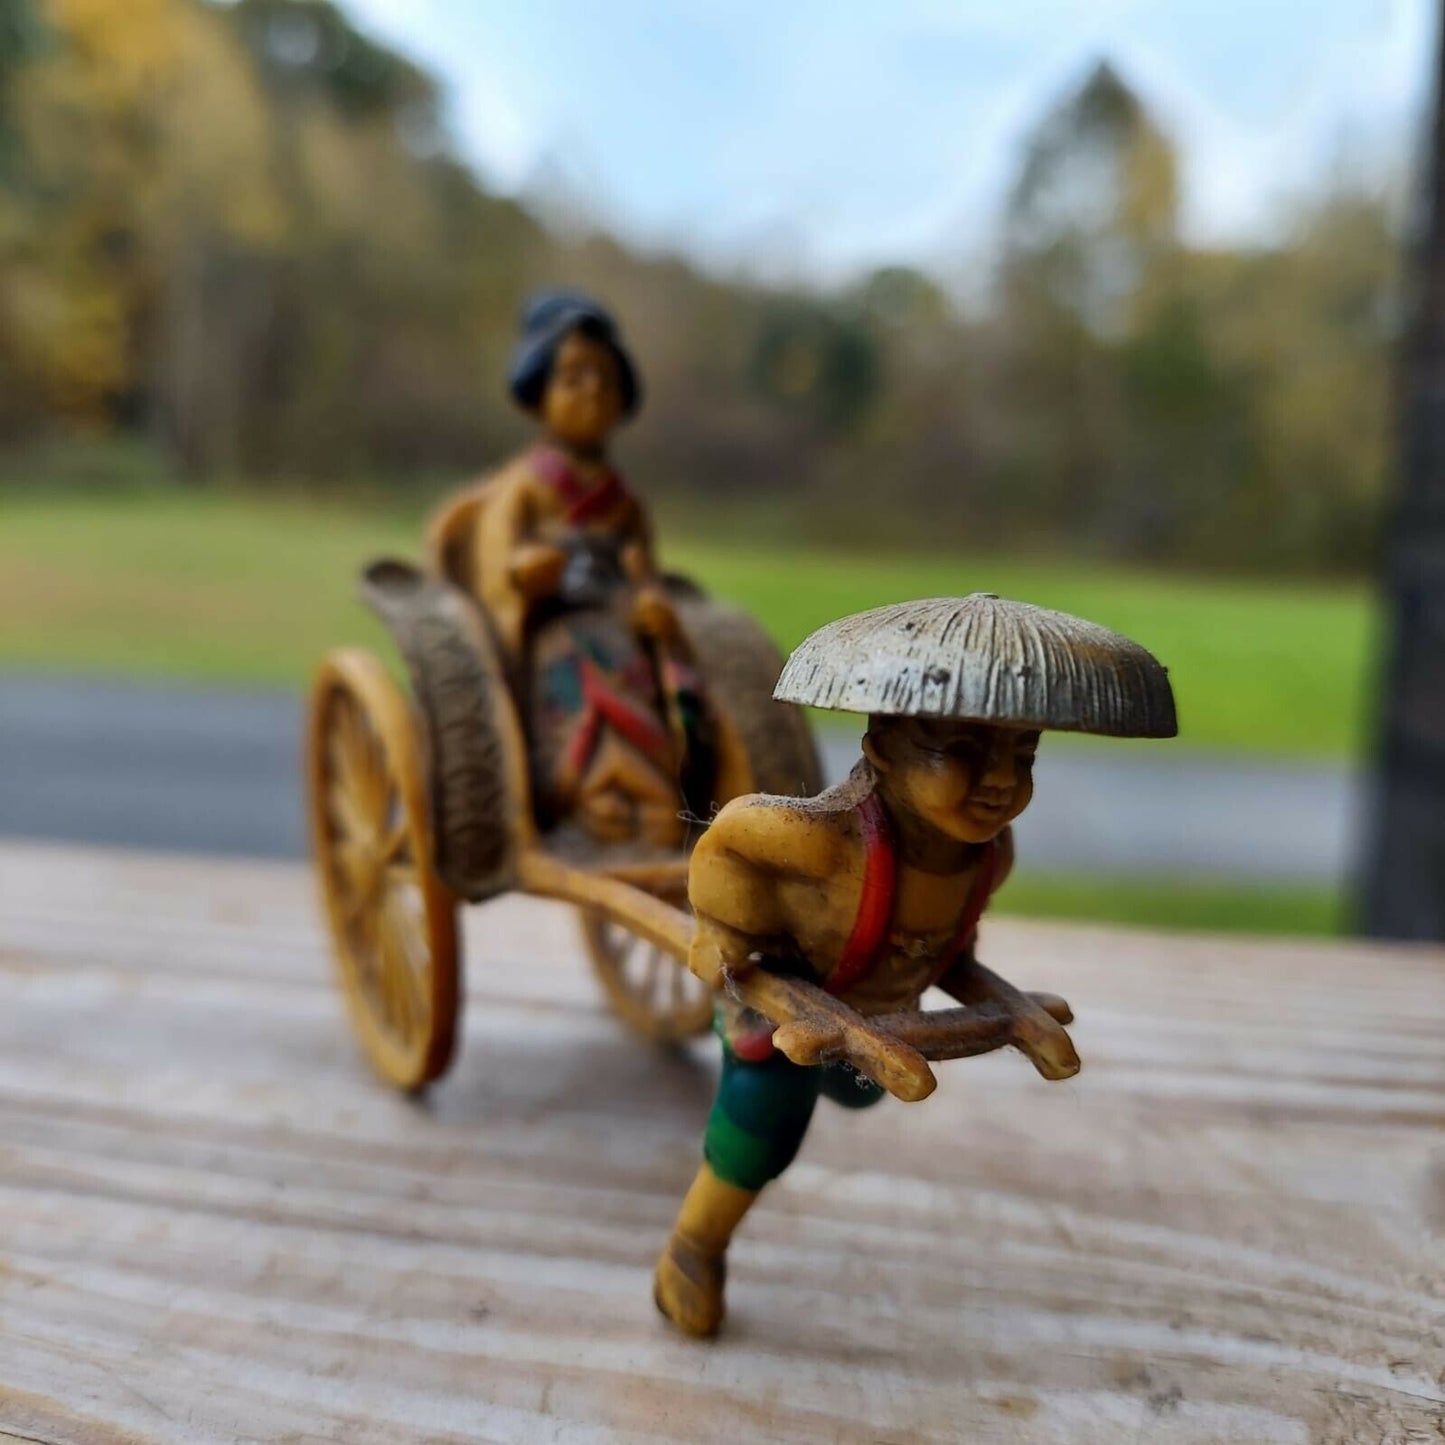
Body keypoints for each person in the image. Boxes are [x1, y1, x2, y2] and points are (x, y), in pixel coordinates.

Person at [653, 594, 1176, 1336]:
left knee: (854, 1092)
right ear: (883, 749)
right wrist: (717, 931)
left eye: (1021, 755)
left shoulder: (988, 856)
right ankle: (692, 1251)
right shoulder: (821, 843)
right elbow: (727, 838)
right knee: (764, 1124)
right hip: (782, 999)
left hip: (872, 1012)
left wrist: (996, 997)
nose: (999, 780)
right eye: (959, 751)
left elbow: (946, 950)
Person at [428, 293, 707, 848]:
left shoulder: (624, 503)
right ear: (538, 396)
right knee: (573, 685)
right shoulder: (526, 487)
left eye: (605, 379)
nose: (593, 392)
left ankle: (661, 782)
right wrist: (521, 572)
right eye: (573, 378)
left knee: (662, 691)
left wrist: (648, 598)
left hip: (618, 629)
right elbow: (497, 559)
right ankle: (577, 782)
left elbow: (643, 567)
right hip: (551, 630)